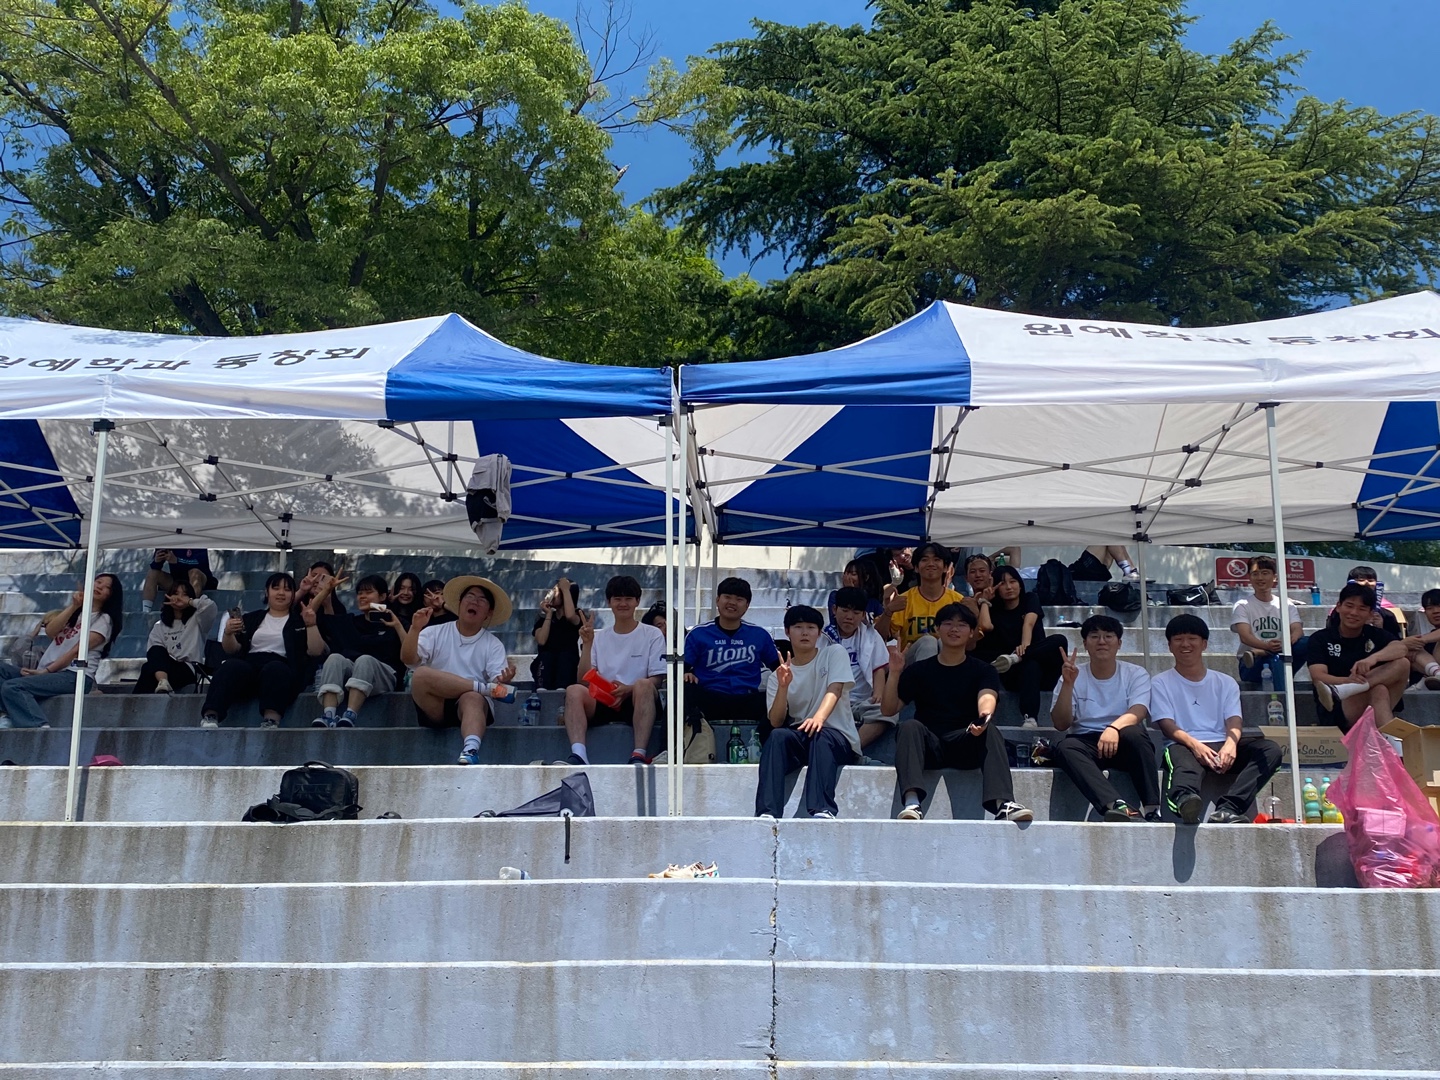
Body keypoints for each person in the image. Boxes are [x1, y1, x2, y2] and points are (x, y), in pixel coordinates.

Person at [881, 603, 1033, 823]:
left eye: (961, 625)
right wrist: (895, 673)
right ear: (937, 629)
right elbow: (889, 709)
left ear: (971, 632)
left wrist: (983, 718)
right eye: (948, 623)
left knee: (990, 731)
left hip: (966, 741)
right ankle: (912, 803)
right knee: (908, 726)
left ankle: (1004, 804)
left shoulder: (983, 670)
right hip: (929, 746)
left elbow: (987, 696)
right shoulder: (919, 670)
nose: (954, 629)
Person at [1151, 614, 1283, 824]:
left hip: (1222, 746)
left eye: (1192, 638)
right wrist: (1196, 746)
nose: (1185, 644)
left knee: (1270, 750)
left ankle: (1229, 808)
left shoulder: (1225, 682)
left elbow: (1234, 720)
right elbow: (1167, 725)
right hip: (1184, 744)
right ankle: (1185, 801)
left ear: (1204, 644)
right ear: (1169, 646)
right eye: (1178, 639)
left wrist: (1230, 745)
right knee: (1179, 758)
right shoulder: (1160, 682)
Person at [1050, 614, 1159, 822]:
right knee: (1065, 747)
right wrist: (1068, 684)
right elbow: (1061, 724)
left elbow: (1139, 711)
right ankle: (1115, 805)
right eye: (1094, 636)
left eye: (1108, 636)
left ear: (1119, 643)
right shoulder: (1072, 675)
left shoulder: (1135, 673)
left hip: (1124, 738)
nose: (1101, 641)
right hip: (1086, 742)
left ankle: (1153, 809)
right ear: (1085, 644)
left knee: (1136, 733)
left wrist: (1113, 728)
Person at [757, 605, 859, 818]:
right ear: (787, 632)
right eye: (798, 627)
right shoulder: (778, 675)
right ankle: (767, 812)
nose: (805, 632)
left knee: (821, 735)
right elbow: (776, 721)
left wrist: (818, 718)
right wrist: (783, 686)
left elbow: (835, 689)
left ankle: (822, 808)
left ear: (819, 633)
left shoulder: (833, 653)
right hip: (803, 737)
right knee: (777, 736)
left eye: (811, 627)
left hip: (837, 738)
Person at [403, 575, 515, 764]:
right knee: (420, 674)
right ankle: (482, 688)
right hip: (436, 705)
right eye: (470, 596)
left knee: (472, 697)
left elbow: (499, 682)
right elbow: (408, 660)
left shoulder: (493, 644)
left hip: (472, 707)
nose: (474, 602)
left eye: (482, 600)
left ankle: (470, 749)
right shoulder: (434, 632)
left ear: (488, 613)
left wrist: (503, 681)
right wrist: (415, 629)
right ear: (459, 603)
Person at [564, 575, 664, 766]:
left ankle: (638, 753)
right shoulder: (599, 637)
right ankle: (579, 754)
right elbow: (583, 680)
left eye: (628, 599)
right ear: (609, 602)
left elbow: (657, 679)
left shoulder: (652, 634)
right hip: (604, 699)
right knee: (573, 690)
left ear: (637, 601)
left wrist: (628, 689)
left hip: (637, 699)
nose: (623, 604)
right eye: (618, 599)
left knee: (644, 685)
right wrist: (587, 644)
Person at [0, 574, 124, 728]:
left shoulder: (104, 619)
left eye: (107, 587)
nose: (100, 587)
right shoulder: (76, 614)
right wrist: (74, 606)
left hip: (74, 675)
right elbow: (51, 631)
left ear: (111, 596)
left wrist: (45, 671)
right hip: (51, 672)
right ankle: (8, 714)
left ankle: (39, 726)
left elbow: (76, 651)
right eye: (98, 582)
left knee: (13, 686)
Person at [199, 572, 315, 729]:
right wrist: (228, 633)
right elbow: (233, 649)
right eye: (276, 588)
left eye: (287, 589)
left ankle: (271, 719)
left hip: (280, 666)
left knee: (275, 669)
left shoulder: (299, 622)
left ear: (293, 594)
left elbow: (316, 650)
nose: (281, 593)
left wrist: (311, 625)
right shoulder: (252, 618)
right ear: (267, 592)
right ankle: (211, 715)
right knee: (231, 666)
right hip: (250, 665)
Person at [970, 565, 1069, 728]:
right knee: (1030, 665)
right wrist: (985, 602)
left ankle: (1016, 658)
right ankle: (1030, 717)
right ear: (995, 587)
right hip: (1015, 674)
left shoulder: (1030, 598)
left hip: (1043, 669)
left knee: (1059, 640)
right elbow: (985, 626)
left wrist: (1023, 650)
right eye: (1002, 583)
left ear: (1020, 584)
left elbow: (1028, 624)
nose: (1009, 587)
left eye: (1013, 581)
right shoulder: (994, 611)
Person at [306, 573, 406, 728]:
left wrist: (397, 625)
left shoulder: (396, 622)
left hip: (385, 675)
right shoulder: (350, 621)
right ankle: (329, 715)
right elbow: (309, 613)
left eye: (368, 592)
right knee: (334, 658)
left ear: (382, 596)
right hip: (354, 672)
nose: (362, 597)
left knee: (365, 659)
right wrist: (326, 591)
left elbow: (411, 653)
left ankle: (350, 715)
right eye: (359, 593)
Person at [1308, 581, 1410, 731]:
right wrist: (1346, 681)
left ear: (1370, 614)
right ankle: (1393, 743)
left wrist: (1373, 658)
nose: (1354, 613)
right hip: (1336, 705)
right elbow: (1318, 676)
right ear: (1338, 607)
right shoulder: (1320, 638)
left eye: (1362, 608)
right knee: (1379, 689)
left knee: (1401, 665)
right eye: (1349, 606)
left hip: (1376, 704)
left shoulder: (1375, 634)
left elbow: (1401, 648)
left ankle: (1349, 690)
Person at [683, 576, 780, 733]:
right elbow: (680, 668)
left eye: (739, 599)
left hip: (747, 699)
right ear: (717, 600)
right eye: (727, 597)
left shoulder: (759, 635)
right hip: (710, 698)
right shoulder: (698, 633)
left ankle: (764, 744)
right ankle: (669, 746)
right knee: (683, 690)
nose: (732, 603)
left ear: (747, 606)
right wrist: (686, 673)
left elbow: (779, 667)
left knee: (780, 698)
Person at [878, 542, 984, 663]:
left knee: (944, 642)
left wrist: (975, 616)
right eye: (924, 560)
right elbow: (879, 638)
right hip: (912, 665)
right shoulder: (904, 600)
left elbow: (970, 646)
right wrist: (888, 612)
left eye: (936, 559)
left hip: (950, 663)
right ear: (916, 567)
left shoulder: (959, 601)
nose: (931, 563)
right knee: (928, 642)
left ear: (946, 567)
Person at [824, 587, 893, 749]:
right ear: (834, 610)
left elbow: (878, 668)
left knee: (887, 712)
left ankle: (852, 749)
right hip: (831, 701)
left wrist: (878, 693)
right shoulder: (822, 637)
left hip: (862, 702)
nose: (849, 617)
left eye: (856, 613)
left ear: (863, 615)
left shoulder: (871, 636)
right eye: (844, 610)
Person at [1231, 555, 1310, 689]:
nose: (1260, 578)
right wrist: (1266, 646)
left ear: (1275, 577)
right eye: (1255, 574)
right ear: (1250, 577)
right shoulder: (1242, 605)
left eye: (1265, 573)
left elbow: (1297, 630)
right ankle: (1283, 700)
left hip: (1282, 653)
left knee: (1308, 642)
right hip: (1252, 664)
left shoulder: (1286, 604)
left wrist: (1285, 644)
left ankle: (1264, 652)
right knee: (1277, 658)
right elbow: (1245, 637)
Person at [133, 580, 217, 695]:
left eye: (184, 594)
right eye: (176, 593)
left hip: (188, 668)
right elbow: (154, 653)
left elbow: (210, 606)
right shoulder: (159, 626)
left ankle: (158, 687)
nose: (179, 598)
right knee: (151, 661)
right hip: (165, 666)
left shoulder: (198, 620)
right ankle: (163, 682)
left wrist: (189, 601)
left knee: (148, 669)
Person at [532, 576, 583, 690]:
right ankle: (542, 689)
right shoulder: (542, 619)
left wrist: (565, 589)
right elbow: (541, 640)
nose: (551, 593)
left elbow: (570, 615)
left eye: (555, 591)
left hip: (567, 666)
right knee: (546, 656)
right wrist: (549, 615)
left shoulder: (578, 616)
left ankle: (562, 688)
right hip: (545, 666)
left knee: (565, 657)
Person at [1327, 565, 1405, 636]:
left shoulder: (1387, 615)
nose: (1366, 583)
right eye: (1361, 580)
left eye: (1370, 580)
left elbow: (1395, 640)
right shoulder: (1338, 613)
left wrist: (1380, 629)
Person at [141, 548, 217, 613]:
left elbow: (200, 563)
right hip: (176, 580)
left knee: (194, 572)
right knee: (152, 572)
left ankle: (189, 608)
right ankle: (146, 611)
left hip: (200, 579)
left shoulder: (197, 540)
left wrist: (177, 560)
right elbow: (156, 566)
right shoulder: (169, 539)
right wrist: (156, 561)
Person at [827, 559, 885, 625]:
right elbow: (834, 622)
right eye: (846, 573)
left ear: (866, 577)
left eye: (853, 574)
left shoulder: (873, 603)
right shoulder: (835, 596)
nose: (848, 577)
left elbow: (880, 625)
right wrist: (848, 592)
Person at [1404, 588, 1440, 689]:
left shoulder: (1423, 639)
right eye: (1429, 608)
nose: (1436, 611)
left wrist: (1419, 640)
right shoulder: (1424, 643)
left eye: (1439, 606)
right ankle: (1436, 673)